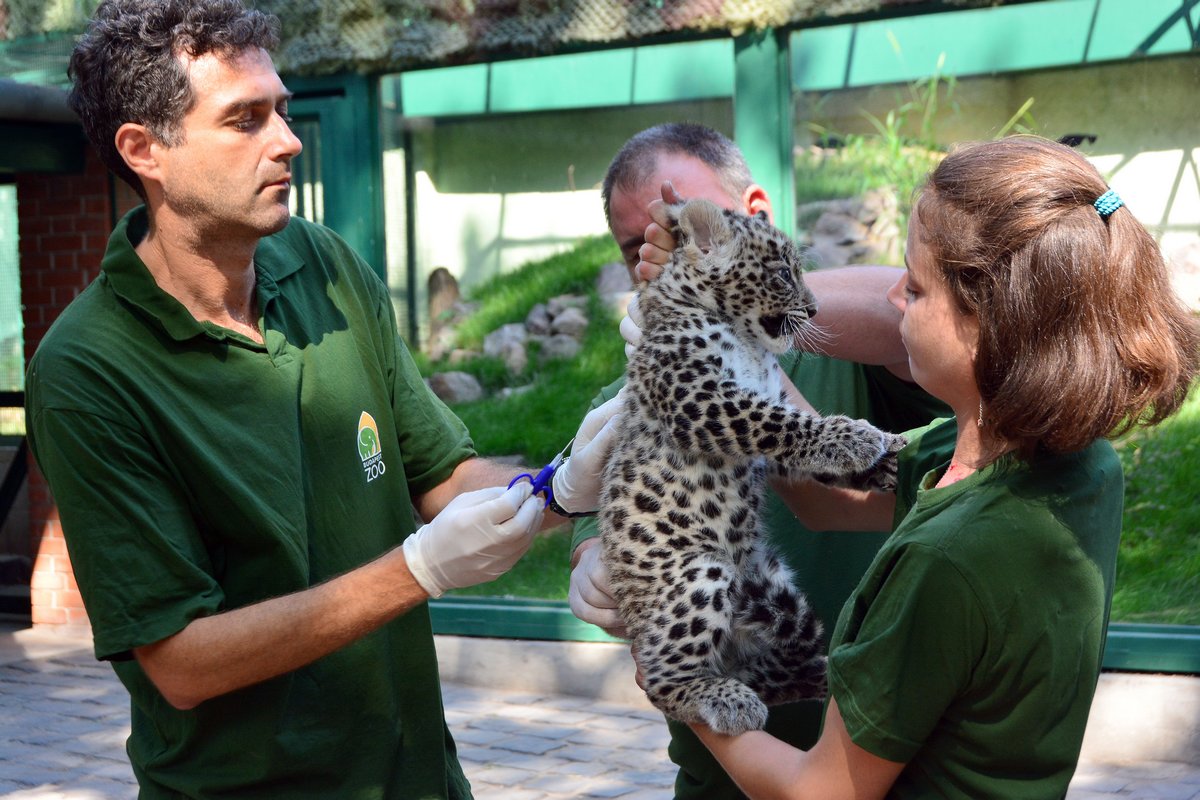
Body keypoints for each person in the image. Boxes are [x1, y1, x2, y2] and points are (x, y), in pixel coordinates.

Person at [25, 1, 617, 797]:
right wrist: (417, 570)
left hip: (419, 778)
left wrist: (572, 484)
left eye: (284, 110)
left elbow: (443, 480)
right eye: (244, 119)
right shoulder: (88, 370)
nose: (288, 140)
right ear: (145, 150)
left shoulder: (323, 264)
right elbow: (180, 662)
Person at [637, 136, 1199, 798]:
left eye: (919, 285)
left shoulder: (950, 556)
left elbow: (820, 791)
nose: (895, 294)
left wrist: (686, 686)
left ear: (996, 323)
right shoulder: (1069, 462)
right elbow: (827, 497)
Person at [568, 122, 950, 800]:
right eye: (646, 246)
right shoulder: (626, 393)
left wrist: (744, 290)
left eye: (694, 222)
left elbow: (921, 308)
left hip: (891, 765)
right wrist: (599, 568)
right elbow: (595, 535)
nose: (673, 250)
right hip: (726, 773)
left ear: (758, 214)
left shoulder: (853, 347)